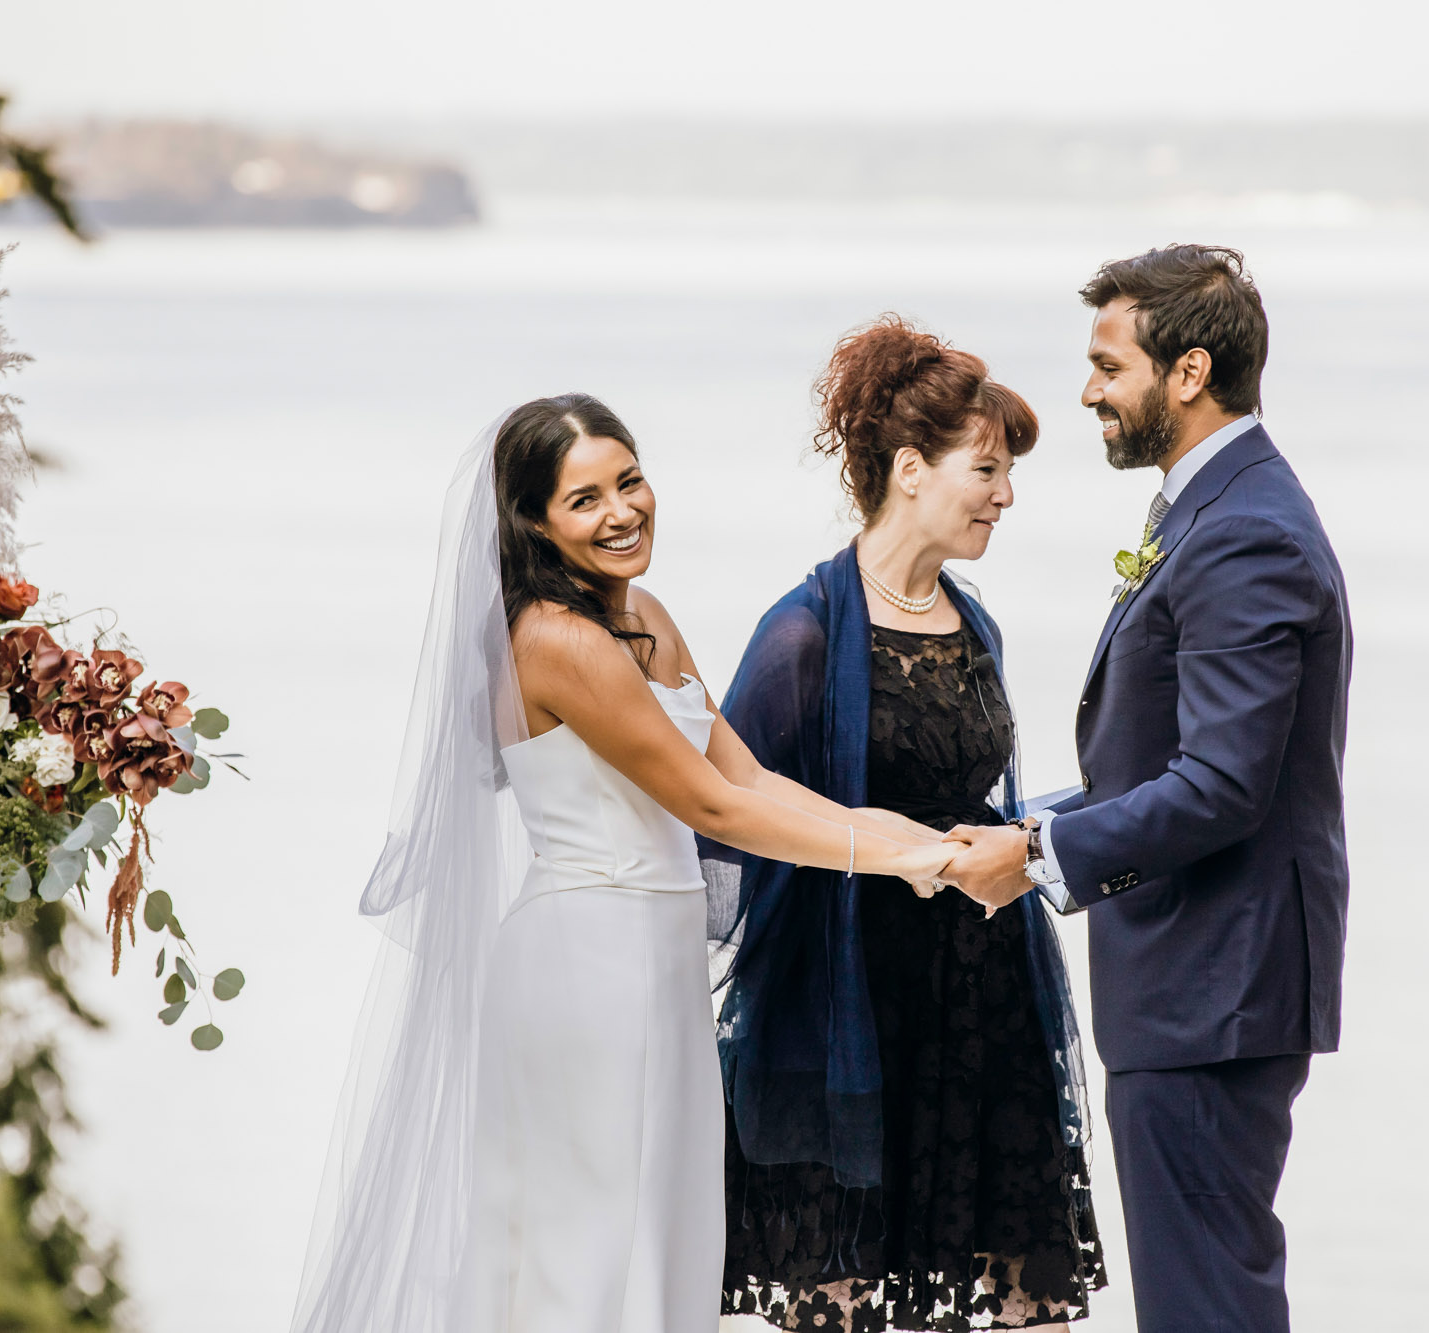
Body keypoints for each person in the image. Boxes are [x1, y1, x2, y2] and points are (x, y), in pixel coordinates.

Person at [289, 394, 957, 1333]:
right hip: (587, 965)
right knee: (586, 1244)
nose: (622, 512)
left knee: (661, 1228)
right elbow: (712, 807)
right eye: (584, 498)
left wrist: (913, 839)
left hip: (657, 961)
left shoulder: (643, 614)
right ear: (532, 522)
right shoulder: (557, 642)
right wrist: (898, 862)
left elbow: (748, 773)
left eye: (630, 481)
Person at [945, 247, 1353, 1332]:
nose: (1086, 391)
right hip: (1201, 989)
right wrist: (1022, 824)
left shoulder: (1244, 532)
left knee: (1203, 1305)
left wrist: (1032, 859)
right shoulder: (1214, 508)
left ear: (1187, 372)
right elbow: (1158, 768)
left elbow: (1220, 786)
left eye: (1105, 365)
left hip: (1210, 993)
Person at [709, 318, 1106, 1333]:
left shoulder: (974, 621)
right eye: (986, 468)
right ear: (908, 470)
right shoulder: (800, 636)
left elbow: (986, 801)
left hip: (982, 1009)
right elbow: (730, 815)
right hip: (855, 1018)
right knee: (847, 1302)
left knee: (1026, 1304)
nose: (1005, 494)